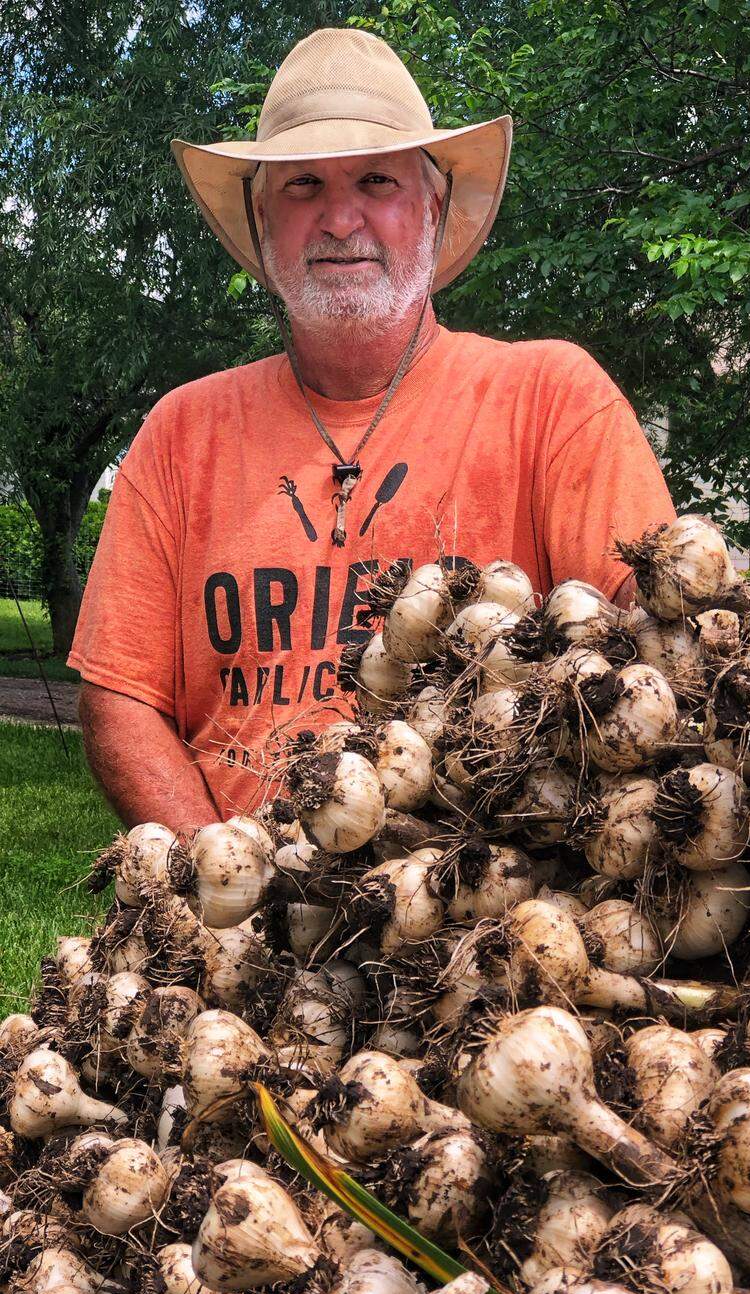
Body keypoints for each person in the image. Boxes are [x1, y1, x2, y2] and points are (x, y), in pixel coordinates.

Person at [69, 27, 677, 832]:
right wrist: (224, 881)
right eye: (303, 186)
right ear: (260, 220)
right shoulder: (183, 432)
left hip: (487, 907)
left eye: (377, 180)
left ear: (432, 206)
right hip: (245, 915)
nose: (339, 217)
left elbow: (659, 652)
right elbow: (121, 696)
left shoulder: (551, 398)